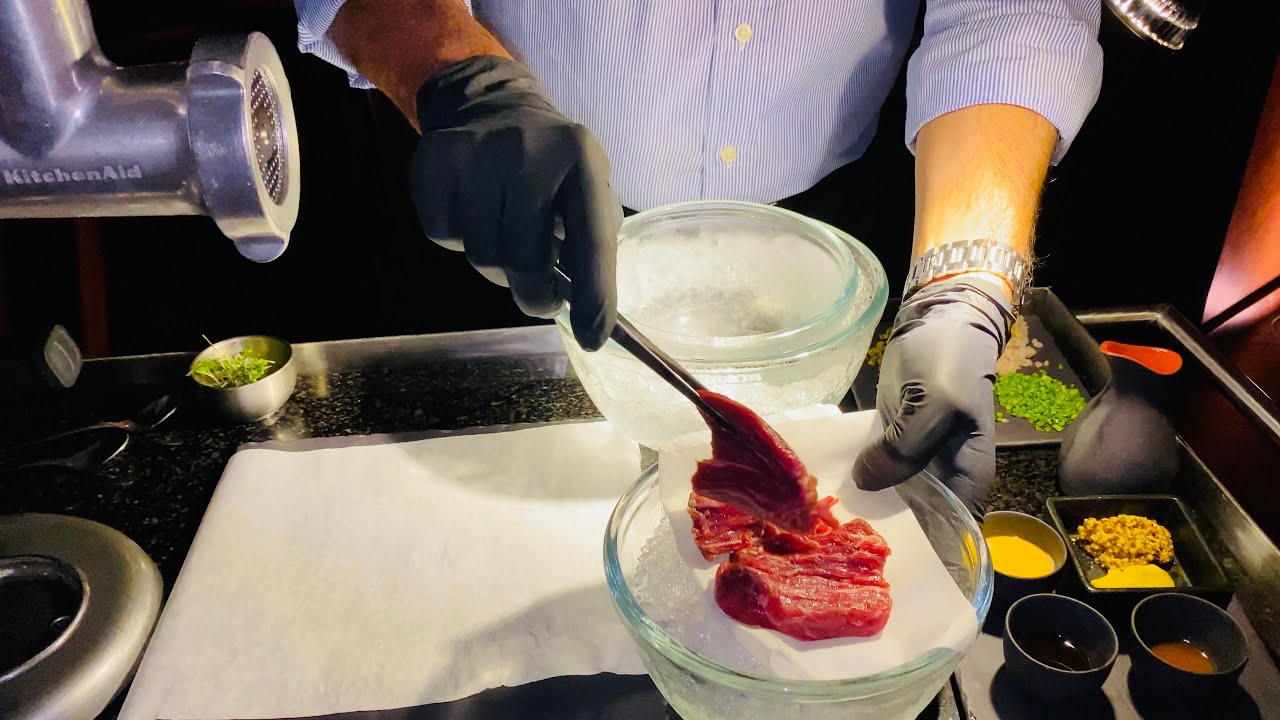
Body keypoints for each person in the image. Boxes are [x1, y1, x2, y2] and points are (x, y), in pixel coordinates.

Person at [293, 0, 1103, 513]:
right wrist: (459, 80)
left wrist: (963, 283)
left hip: (835, 231)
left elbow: (1012, 12)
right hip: (522, 198)